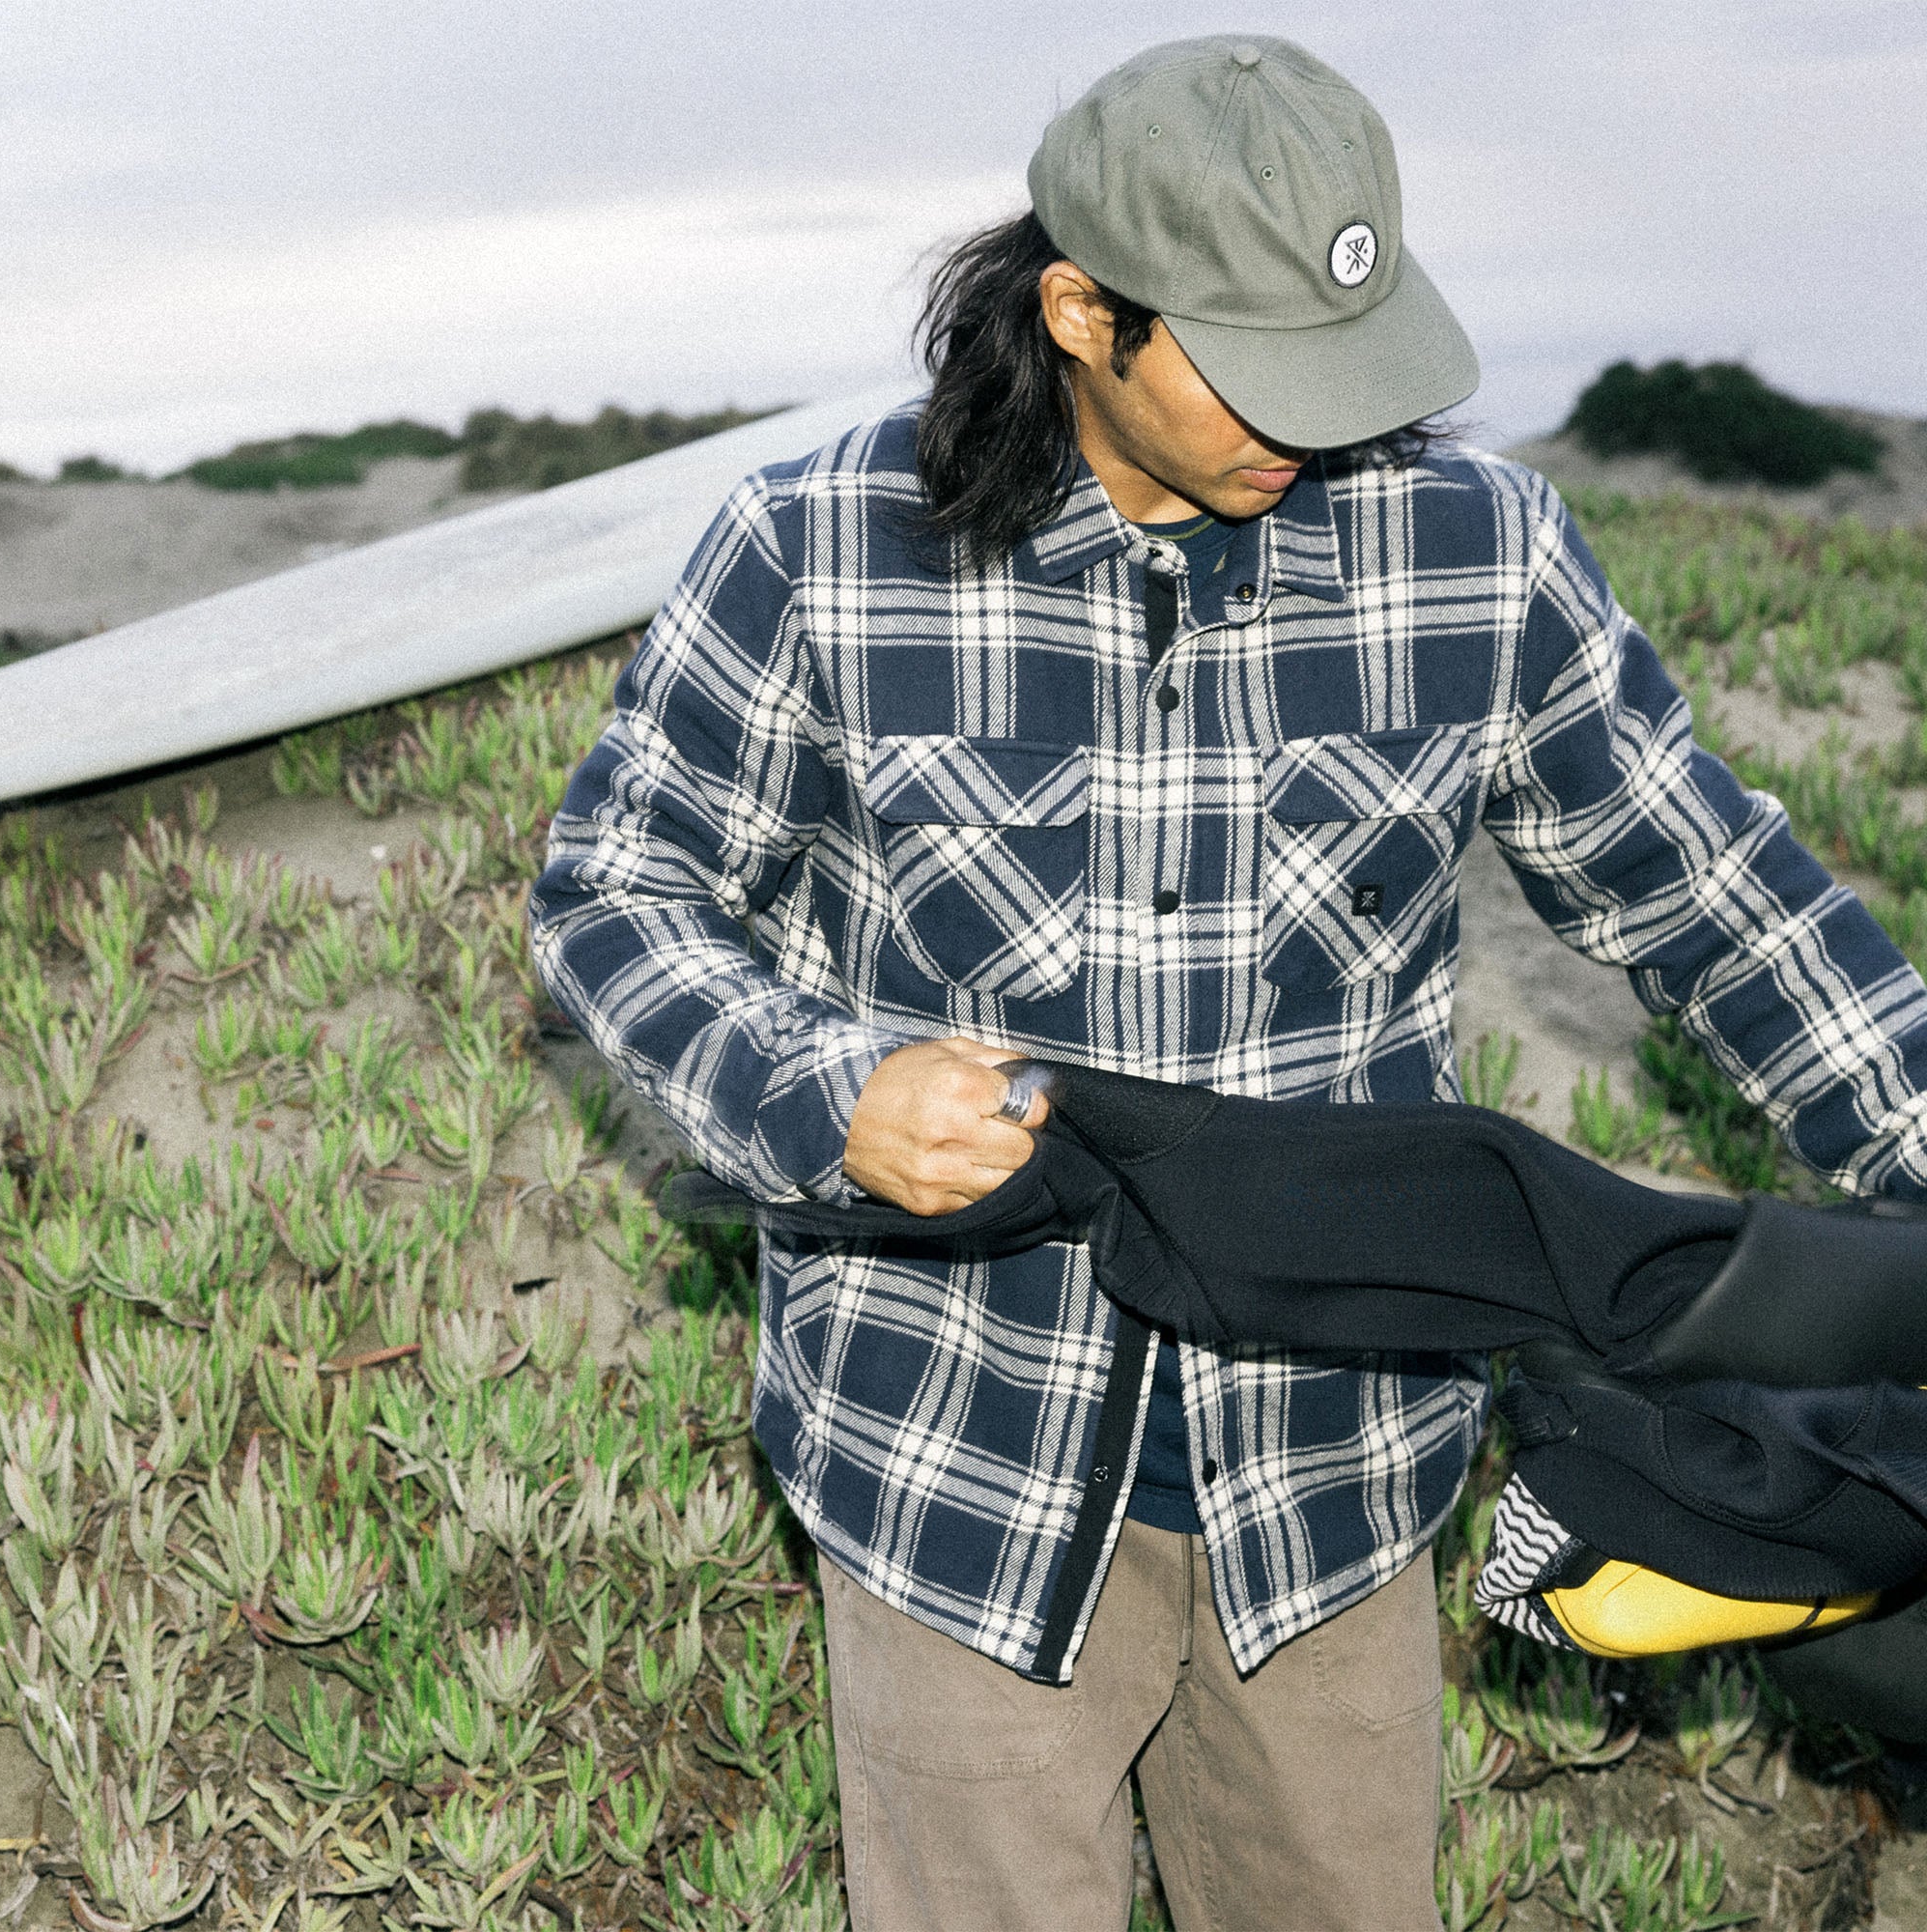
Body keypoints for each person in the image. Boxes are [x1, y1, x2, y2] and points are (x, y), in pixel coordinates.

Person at [529, 34, 1927, 1932]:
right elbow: (615, 893)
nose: (1315, 424)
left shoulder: (1479, 556)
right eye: (1257, 363)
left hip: (1334, 1478)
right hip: (957, 1466)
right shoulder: (819, 549)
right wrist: (824, 1089)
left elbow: (1718, 901)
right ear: (1081, 312)